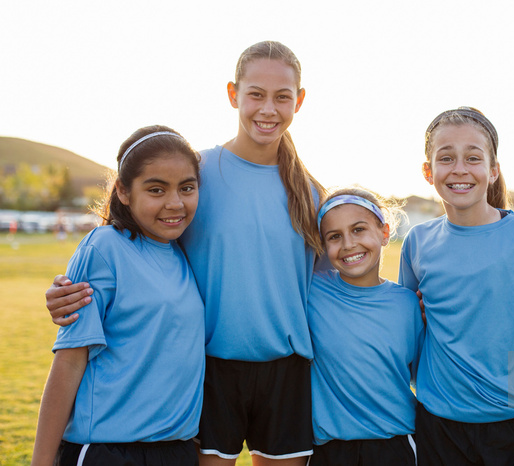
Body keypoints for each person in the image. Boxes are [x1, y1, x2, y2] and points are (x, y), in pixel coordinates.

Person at [44, 41, 324, 466]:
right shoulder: (199, 172)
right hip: (209, 369)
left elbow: (326, 287)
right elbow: (138, 241)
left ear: (299, 101)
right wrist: (67, 292)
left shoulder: (309, 191)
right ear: (233, 94)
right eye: (255, 94)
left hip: (286, 371)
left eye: (282, 96)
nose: (268, 108)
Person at [399, 107, 514, 466]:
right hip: (437, 429)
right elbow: (407, 334)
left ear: (493, 169)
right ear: (428, 171)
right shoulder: (418, 242)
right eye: (446, 158)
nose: (459, 169)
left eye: (473, 158)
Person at [32, 126, 205, 466]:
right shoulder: (104, 248)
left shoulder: (185, 251)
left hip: (177, 451)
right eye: (156, 189)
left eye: (187, 188)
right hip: (110, 451)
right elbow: (69, 362)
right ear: (124, 192)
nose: (175, 203)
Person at [308, 187, 423, 466]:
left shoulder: (408, 305)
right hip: (329, 451)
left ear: (384, 233)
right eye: (334, 236)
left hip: (394, 447)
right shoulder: (311, 291)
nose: (348, 244)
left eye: (358, 230)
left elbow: (419, 375)